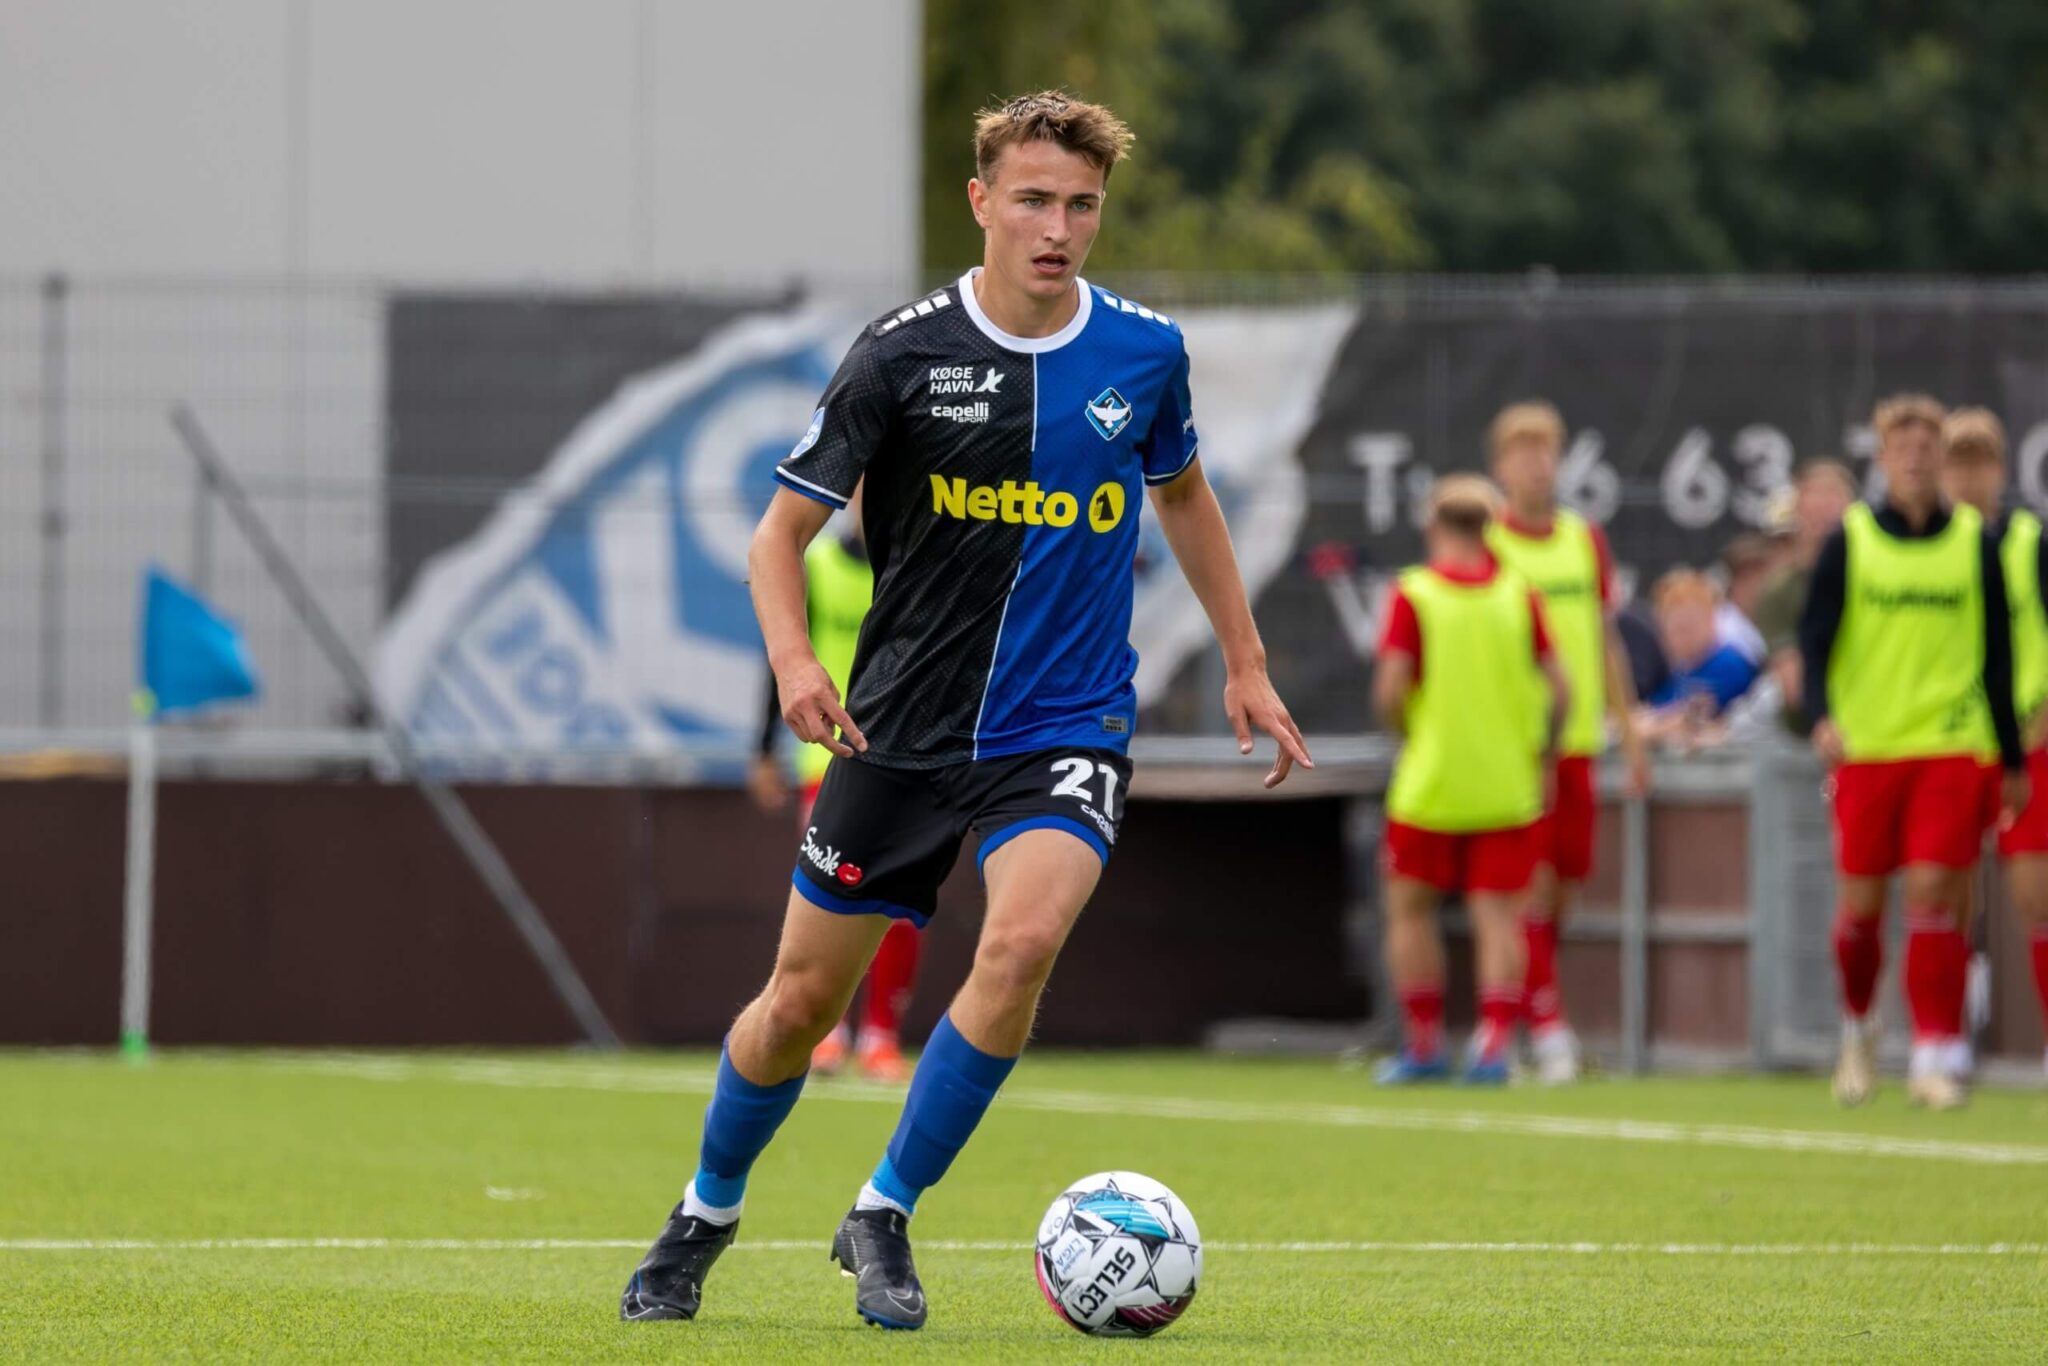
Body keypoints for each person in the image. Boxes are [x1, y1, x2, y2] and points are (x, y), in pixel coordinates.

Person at [621, 90, 1312, 1330]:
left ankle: (883, 1209)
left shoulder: (1144, 353)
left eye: (1082, 206)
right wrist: (794, 665)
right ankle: (704, 1212)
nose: (1058, 228)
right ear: (981, 201)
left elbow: (1185, 497)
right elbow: (777, 538)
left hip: (1064, 726)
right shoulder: (898, 354)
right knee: (795, 1007)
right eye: (1034, 200)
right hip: (897, 731)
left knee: (1021, 942)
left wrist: (1245, 659)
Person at [1798, 394, 2027, 1110]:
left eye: (1929, 448)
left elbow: (1998, 653)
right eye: (1904, 448)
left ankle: (1933, 1052)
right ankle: (1858, 1028)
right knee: (1860, 915)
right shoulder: (1852, 540)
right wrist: (1821, 717)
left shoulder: (1974, 542)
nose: (1918, 459)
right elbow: (1814, 638)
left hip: (1951, 745)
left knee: (1933, 893)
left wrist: (2011, 757)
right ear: (1883, 458)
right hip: (1870, 748)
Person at [1373, 476, 1570, 1085]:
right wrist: (1542, 751)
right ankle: (1492, 1049)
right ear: (1489, 529)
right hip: (1506, 784)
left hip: (1430, 783)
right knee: (1501, 918)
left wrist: (1410, 733)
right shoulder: (1518, 594)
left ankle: (1424, 1045)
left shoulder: (1416, 593)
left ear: (1434, 526)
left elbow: (1390, 690)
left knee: (1409, 910)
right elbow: (1561, 689)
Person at [1485, 401, 1651, 1083]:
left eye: (1546, 451)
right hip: (1520, 747)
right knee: (1529, 887)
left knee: (1564, 887)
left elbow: (1605, 638)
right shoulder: (1491, 544)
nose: (1536, 465)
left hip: (1580, 741)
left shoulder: (1584, 539)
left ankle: (1525, 1013)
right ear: (1501, 466)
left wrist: (1630, 731)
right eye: (1522, 452)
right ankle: (1547, 1030)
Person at [747, 487, 920, 1085]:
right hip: (826, 762)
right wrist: (763, 750)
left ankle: (881, 1037)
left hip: (904, 757)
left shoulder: (917, 563)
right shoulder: (817, 565)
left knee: (898, 904)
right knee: (830, 897)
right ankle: (826, 1034)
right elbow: (778, 661)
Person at [1937, 407, 2048, 1077]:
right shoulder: (1930, 553)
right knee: (1949, 894)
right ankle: (1947, 1040)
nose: (1968, 478)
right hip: (1953, 741)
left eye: (1979, 464)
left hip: (2024, 742)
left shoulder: (2029, 544)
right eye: (1957, 464)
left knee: (2036, 896)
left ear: (2000, 471)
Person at [1754, 459, 1857, 735]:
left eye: (1831, 510)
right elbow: (1796, 689)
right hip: (1807, 736)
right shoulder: (1780, 592)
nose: (1823, 523)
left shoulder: (1874, 578)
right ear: (1798, 513)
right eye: (1815, 510)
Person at [1643, 569, 1759, 717]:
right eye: (1676, 629)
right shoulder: (1677, 671)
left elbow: (1697, 716)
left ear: (1711, 621)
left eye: (1691, 626)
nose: (1684, 637)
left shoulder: (1730, 664)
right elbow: (1655, 707)